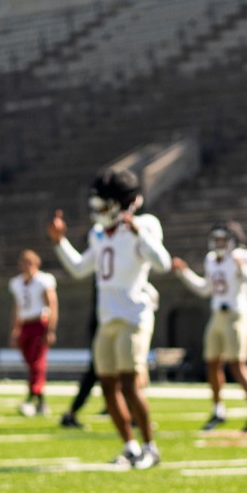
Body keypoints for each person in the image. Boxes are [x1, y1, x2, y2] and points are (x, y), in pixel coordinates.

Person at [50, 168, 170, 468]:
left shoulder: (144, 225)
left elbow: (163, 263)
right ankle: (130, 446)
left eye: (104, 204)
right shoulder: (99, 233)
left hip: (133, 315)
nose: (99, 211)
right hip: (107, 318)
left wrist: (139, 233)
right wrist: (59, 242)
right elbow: (79, 268)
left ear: (120, 203)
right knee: (107, 385)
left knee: (130, 384)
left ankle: (150, 448)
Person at [173, 220, 247, 431]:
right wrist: (185, 273)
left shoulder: (244, 257)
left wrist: (243, 269)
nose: (218, 243)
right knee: (212, 364)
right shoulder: (211, 259)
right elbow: (205, 289)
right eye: (216, 239)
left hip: (237, 315)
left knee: (236, 364)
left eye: (223, 239)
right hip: (217, 315)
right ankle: (218, 411)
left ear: (234, 241)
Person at [10, 249, 59, 417]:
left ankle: (31, 399)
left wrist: (50, 329)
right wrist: (15, 329)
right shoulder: (16, 283)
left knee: (37, 363)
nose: (25, 266)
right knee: (31, 363)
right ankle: (40, 402)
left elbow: (52, 305)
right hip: (25, 324)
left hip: (40, 323)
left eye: (28, 262)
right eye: (23, 262)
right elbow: (17, 307)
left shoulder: (43, 281)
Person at [56, 287, 98, 429]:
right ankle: (71, 413)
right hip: (106, 322)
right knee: (100, 371)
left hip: (113, 321)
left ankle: (71, 413)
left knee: (116, 375)